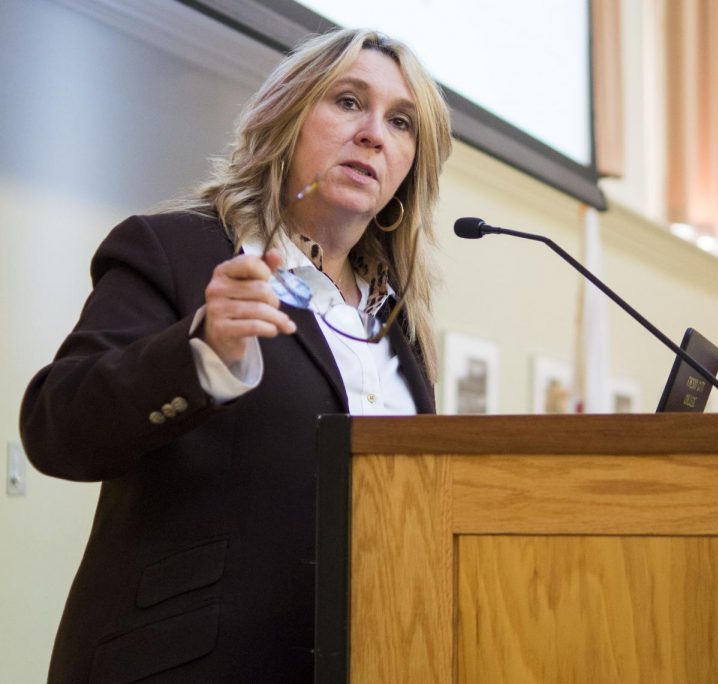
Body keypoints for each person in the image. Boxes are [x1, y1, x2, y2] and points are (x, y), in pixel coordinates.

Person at [19, 28, 452, 682]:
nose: (373, 133)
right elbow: (56, 428)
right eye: (347, 102)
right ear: (287, 115)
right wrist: (200, 352)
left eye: (400, 122)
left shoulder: (399, 328)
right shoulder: (176, 252)